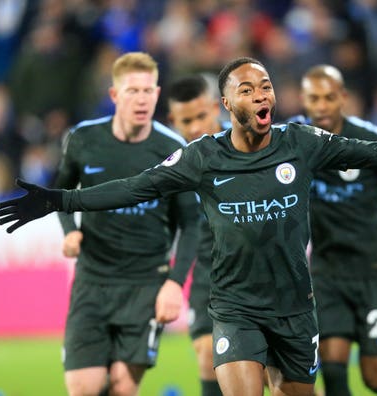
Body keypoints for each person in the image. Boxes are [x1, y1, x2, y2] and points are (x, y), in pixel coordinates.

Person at [0, 56, 377, 396]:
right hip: (236, 307)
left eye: (266, 86)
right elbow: (135, 187)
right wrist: (59, 200)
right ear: (229, 104)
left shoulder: (301, 143)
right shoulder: (203, 156)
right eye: (249, 89)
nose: (262, 95)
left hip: (294, 306)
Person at [54, 52, 200, 396]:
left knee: (122, 386)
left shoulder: (172, 149)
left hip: (145, 284)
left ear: (157, 93)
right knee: (84, 388)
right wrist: (69, 230)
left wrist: (175, 284)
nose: (142, 99)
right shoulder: (83, 140)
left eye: (148, 91)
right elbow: (59, 194)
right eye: (133, 91)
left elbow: (191, 224)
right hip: (93, 280)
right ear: (115, 95)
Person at [293, 64, 377, 395]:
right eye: (314, 98)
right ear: (303, 100)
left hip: (374, 272)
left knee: (374, 377)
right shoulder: (295, 142)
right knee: (332, 359)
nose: (322, 106)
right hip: (326, 272)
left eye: (329, 97)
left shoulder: (369, 140)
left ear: (343, 98)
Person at [166, 74, 230, 396]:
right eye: (185, 120)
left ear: (217, 107)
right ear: (172, 120)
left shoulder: (246, 144)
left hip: (258, 274)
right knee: (208, 356)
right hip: (207, 276)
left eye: (200, 116)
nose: (193, 127)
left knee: (279, 379)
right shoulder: (172, 163)